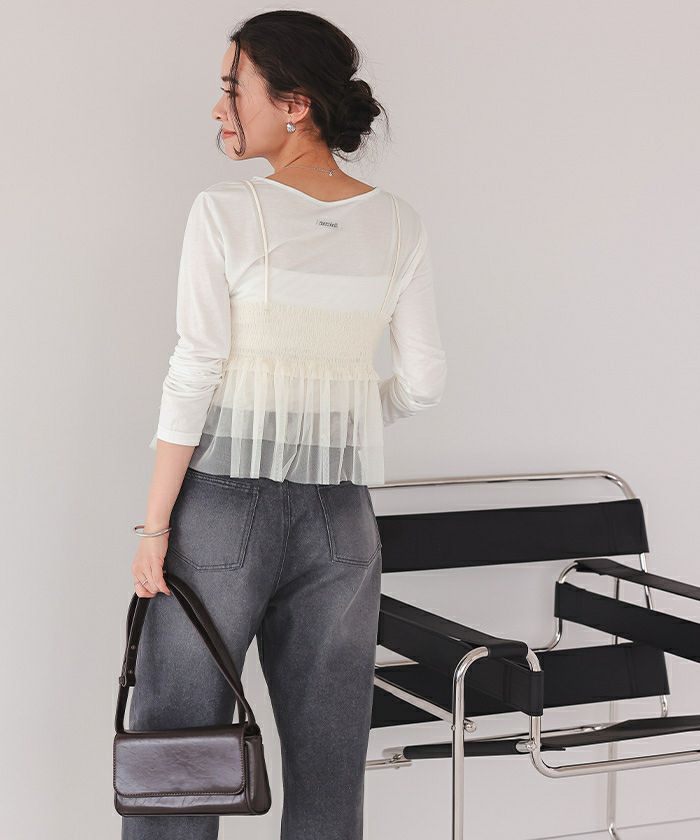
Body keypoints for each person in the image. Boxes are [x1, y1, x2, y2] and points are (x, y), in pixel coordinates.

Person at [123, 9, 447, 840]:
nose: (219, 107)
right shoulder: (400, 223)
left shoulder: (227, 209)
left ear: (295, 103)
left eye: (234, 88)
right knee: (329, 770)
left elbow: (195, 368)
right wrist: (339, 415)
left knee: (180, 759)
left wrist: (154, 526)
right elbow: (422, 383)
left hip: (221, 513)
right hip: (342, 518)